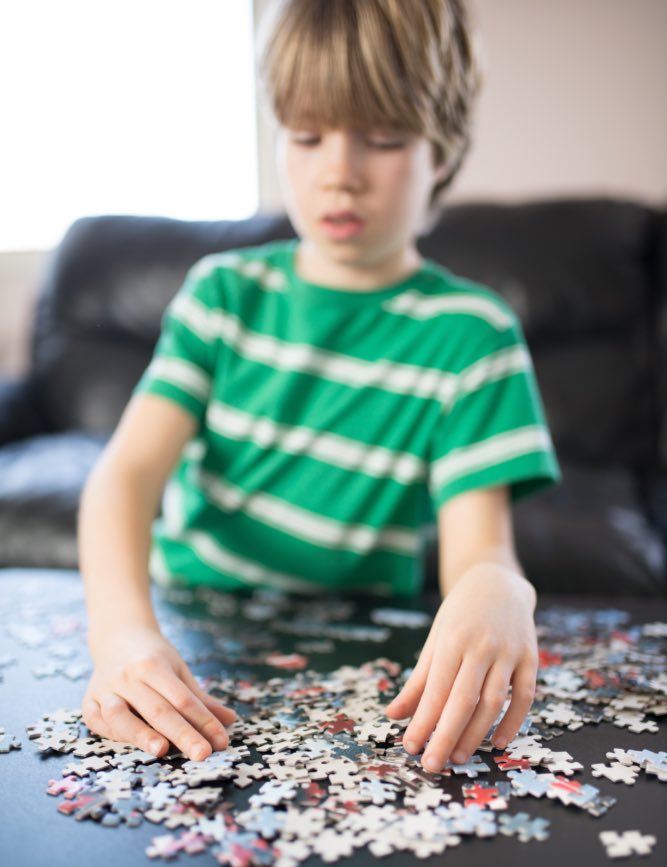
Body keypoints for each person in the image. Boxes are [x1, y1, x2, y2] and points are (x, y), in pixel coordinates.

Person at [78, 0, 560, 775]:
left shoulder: (475, 335)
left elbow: (480, 549)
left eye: (383, 138)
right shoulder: (222, 294)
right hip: (188, 627)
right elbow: (125, 476)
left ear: (443, 152)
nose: (339, 170)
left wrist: (501, 587)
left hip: (357, 644)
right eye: (307, 136)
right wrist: (121, 633)